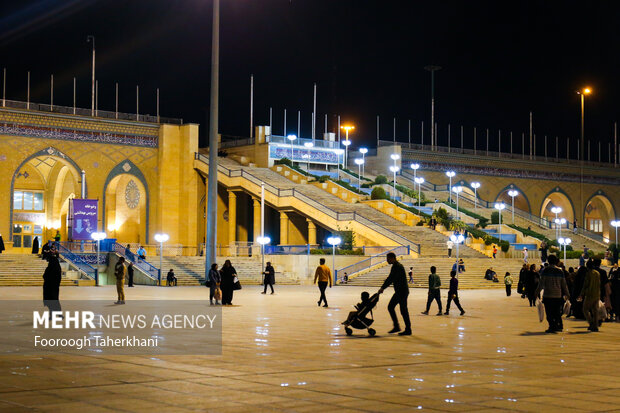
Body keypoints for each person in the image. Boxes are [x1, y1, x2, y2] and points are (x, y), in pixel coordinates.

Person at [378, 252, 412, 335]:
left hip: (401, 292)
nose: (387, 261)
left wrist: (383, 288)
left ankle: (404, 328)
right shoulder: (396, 266)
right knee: (400, 309)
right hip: (400, 291)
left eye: (388, 259)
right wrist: (383, 287)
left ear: (392, 258)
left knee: (398, 309)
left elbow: (390, 278)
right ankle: (401, 327)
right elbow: (391, 278)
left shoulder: (397, 267)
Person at [536, 255, 570, 333]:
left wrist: (537, 292)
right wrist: (567, 294)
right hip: (558, 295)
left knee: (549, 312)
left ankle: (552, 326)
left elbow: (541, 284)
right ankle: (558, 326)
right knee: (557, 312)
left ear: (548, 261)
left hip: (548, 295)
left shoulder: (545, 270)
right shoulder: (560, 271)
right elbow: (564, 285)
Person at [579, 260, 601, 331]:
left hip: (589, 294)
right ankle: (595, 325)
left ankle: (591, 322)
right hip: (597, 294)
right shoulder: (597, 273)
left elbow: (585, 285)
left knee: (585, 309)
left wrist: (581, 294)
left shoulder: (588, 274)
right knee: (595, 311)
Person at [43, 254, 62, 319]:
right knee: (55, 300)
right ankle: (58, 314)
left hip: (49, 288)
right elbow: (59, 277)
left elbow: (44, 276)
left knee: (51, 301)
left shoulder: (49, 268)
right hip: (54, 287)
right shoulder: (57, 268)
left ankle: (53, 315)